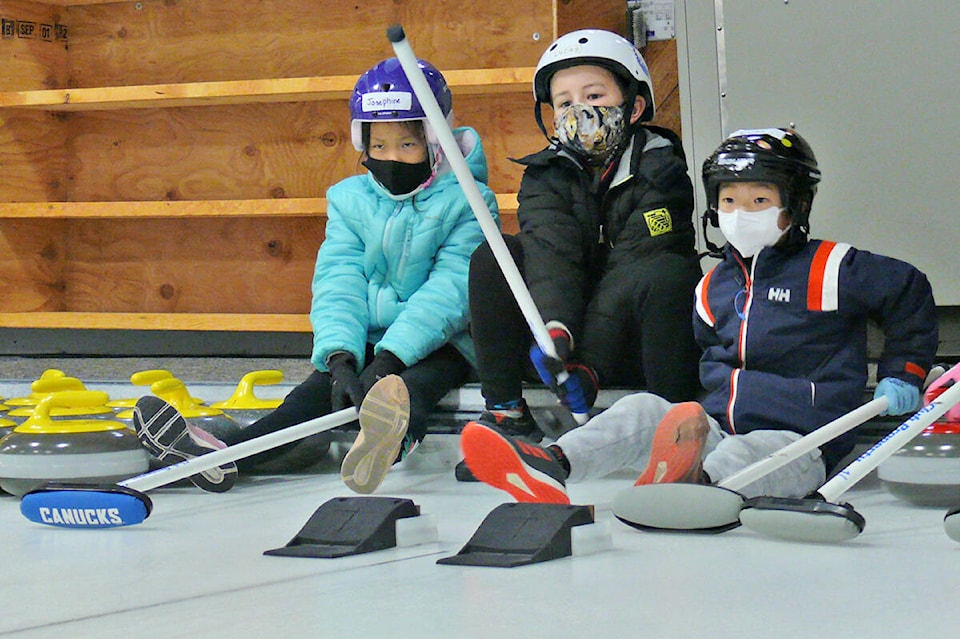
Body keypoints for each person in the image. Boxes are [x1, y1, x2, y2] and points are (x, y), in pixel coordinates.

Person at [459, 127, 939, 504]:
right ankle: (551, 464)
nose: (740, 212)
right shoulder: (713, 286)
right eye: (729, 200)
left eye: (759, 200)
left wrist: (906, 372)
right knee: (643, 410)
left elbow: (909, 291)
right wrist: (590, 371)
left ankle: (691, 486)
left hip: (802, 443)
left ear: (797, 205)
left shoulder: (830, 267)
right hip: (721, 427)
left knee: (739, 453)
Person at [133, 57, 497, 495]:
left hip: (443, 342)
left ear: (434, 142)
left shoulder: (469, 201)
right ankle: (224, 458)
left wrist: (391, 358)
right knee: (309, 400)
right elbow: (337, 279)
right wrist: (341, 356)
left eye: (406, 145)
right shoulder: (349, 200)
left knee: (406, 390)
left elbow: (451, 291)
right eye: (378, 146)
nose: (391, 158)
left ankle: (388, 443)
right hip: (366, 339)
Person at [462, 29, 703, 464]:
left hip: (632, 346)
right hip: (561, 355)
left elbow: (633, 268)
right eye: (566, 102)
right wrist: (556, 331)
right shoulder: (544, 175)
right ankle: (506, 414)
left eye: (594, 95)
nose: (581, 112)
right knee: (496, 257)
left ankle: (675, 422)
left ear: (635, 107)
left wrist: (591, 365)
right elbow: (552, 257)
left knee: (668, 272)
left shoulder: (662, 171)